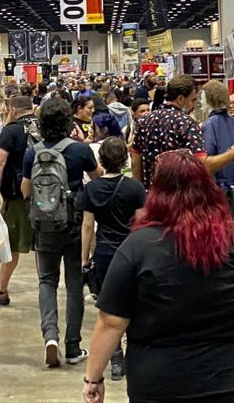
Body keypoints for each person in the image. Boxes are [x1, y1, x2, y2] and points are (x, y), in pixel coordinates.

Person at [82, 151, 234, 403]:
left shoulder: (137, 248)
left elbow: (111, 321)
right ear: (210, 189)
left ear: (157, 193)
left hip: (162, 383)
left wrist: (93, 378)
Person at [22, 98, 102, 368]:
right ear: (69, 122)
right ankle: (72, 345)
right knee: (74, 284)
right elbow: (98, 178)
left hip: (44, 226)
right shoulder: (80, 150)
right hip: (75, 224)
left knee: (47, 281)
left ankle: (50, 338)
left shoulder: (32, 153)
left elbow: (24, 190)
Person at [79, 138, 146, 382]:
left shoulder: (92, 189)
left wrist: (84, 258)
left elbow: (88, 226)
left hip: (106, 252)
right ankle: (134, 351)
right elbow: (142, 222)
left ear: (101, 160)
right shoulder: (135, 188)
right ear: (125, 160)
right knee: (136, 302)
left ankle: (116, 357)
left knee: (110, 306)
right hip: (132, 251)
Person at [131, 75, 234, 186]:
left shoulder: (145, 120)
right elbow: (202, 165)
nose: (194, 105)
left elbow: (135, 160)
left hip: (152, 196)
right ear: (181, 98)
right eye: (192, 100)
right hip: (180, 198)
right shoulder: (186, 124)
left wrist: (140, 193)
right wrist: (232, 154)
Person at [0, 95, 38, 305]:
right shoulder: (44, 125)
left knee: (11, 244)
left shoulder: (10, 131)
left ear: (12, 110)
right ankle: (48, 285)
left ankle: (0, 289)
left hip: (17, 195)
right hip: (46, 195)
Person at [201, 81, 234, 190]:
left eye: (202, 98)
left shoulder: (210, 124)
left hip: (216, 185)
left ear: (208, 100)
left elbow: (207, 158)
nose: (200, 102)